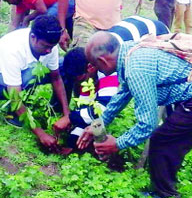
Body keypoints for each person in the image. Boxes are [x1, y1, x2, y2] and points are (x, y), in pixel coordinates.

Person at [76, 31, 192, 198]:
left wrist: (117, 144)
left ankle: (164, 195)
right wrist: (98, 125)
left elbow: (147, 124)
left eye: (94, 65)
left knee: (161, 140)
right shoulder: (130, 51)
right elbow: (122, 94)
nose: (94, 70)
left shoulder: (136, 69)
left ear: (103, 61)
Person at [62, 15, 169, 149]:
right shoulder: (94, 60)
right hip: (131, 29)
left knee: (160, 102)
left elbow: (102, 108)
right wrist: (75, 136)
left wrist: (70, 118)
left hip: (156, 33)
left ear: (91, 68)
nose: (80, 87)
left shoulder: (109, 65)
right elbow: (109, 105)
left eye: (81, 80)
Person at [0, 15, 71, 152]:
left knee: (64, 66)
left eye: (52, 47)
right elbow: (14, 96)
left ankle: (56, 112)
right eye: (45, 46)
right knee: (30, 75)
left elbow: (56, 78)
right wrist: (40, 133)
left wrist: (67, 114)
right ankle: (14, 114)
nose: (49, 51)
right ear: (33, 37)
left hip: (23, 77)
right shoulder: (13, 50)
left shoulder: (49, 45)